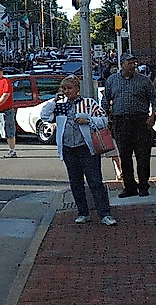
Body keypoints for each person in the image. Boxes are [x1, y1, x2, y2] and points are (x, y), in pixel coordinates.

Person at [41, 76, 116, 225]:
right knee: (76, 183)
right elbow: (45, 116)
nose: (66, 91)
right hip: (69, 149)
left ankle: (105, 214)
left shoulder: (88, 103)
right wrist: (53, 101)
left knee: (95, 182)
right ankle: (83, 212)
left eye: (69, 88)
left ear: (77, 89)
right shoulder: (60, 105)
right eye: (64, 89)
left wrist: (88, 120)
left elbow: (104, 119)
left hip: (86, 149)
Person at [101, 53, 156, 197]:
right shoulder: (112, 81)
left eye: (134, 63)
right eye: (129, 63)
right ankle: (129, 187)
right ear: (122, 64)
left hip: (141, 121)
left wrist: (153, 115)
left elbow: (155, 98)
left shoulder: (144, 81)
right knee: (125, 156)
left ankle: (143, 186)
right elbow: (105, 100)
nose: (132, 66)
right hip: (121, 121)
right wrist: (106, 116)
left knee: (143, 155)